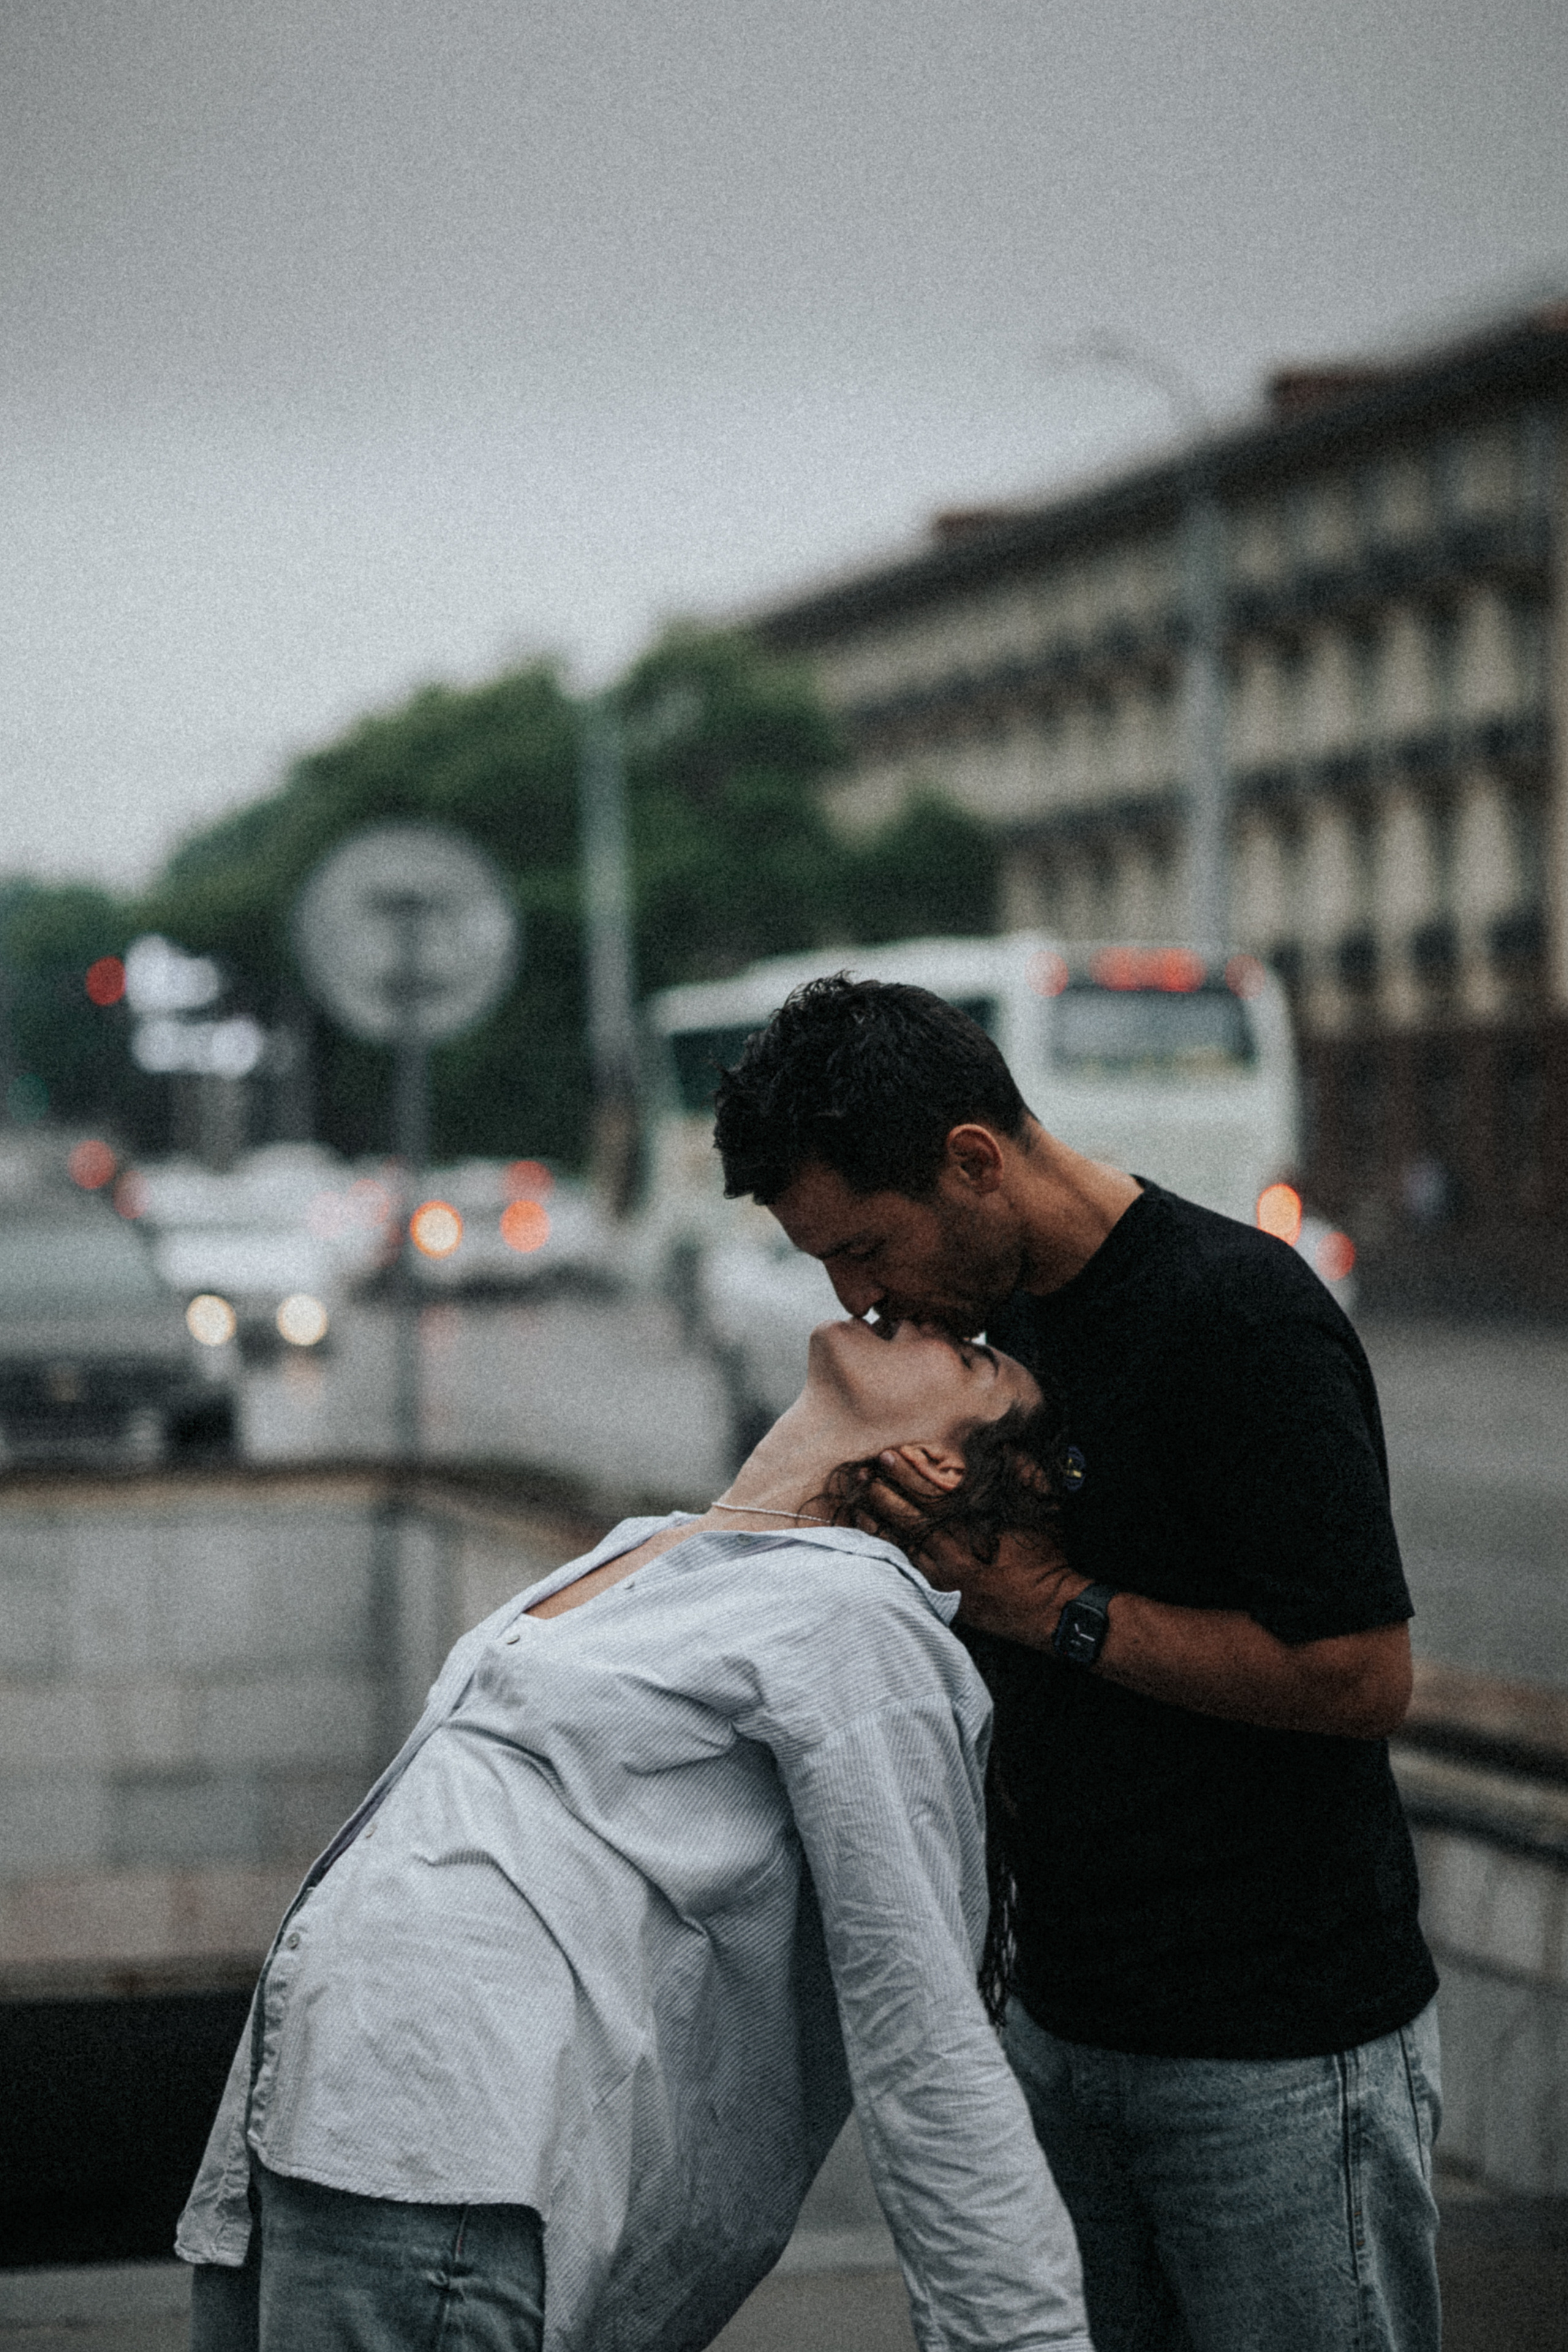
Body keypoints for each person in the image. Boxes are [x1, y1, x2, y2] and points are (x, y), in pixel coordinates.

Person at [714, 973, 1442, 2352]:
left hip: (1270, 2049)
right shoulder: (985, 1325)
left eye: (864, 1247)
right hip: (1056, 2030)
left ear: (972, 1162)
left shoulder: (1236, 1316)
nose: (858, 1300)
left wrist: (1048, 1605)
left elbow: (1360, 1675)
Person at [176, 1315, 1094, 2352]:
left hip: (448, 2161)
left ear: (935, 1462)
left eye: (971, 1359)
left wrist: (1015, 2336)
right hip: (308, 2129)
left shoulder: (860, 1620)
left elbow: (920, 2021)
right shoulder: (660, 1545)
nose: (924, 1318)